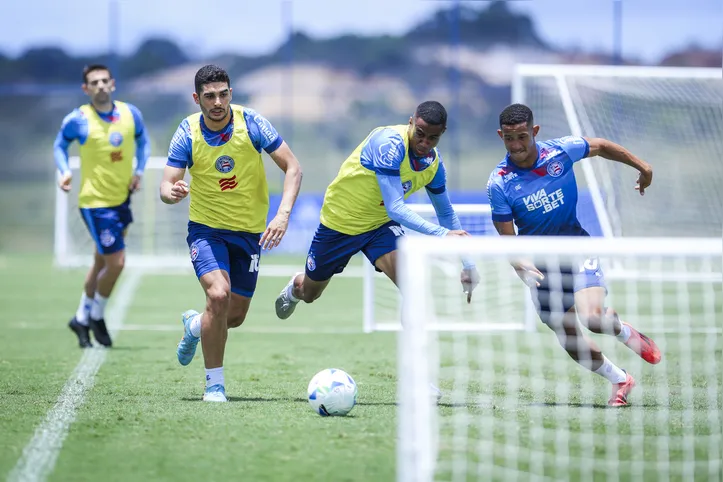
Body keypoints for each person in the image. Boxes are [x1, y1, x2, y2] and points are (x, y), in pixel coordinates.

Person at [487, 103, 661, 407]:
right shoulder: (499, 182)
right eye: (509, 139)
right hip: (541, 266)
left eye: (522, 137)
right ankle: (620, 379)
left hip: (577, 249)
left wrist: (643, 166)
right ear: (501, 135)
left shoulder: (560, 152)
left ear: (535, 132)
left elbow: (603, 146)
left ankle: (625, 333)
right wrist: (519, 263)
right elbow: (507, 240)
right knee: (570, 340)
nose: (516, 146)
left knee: (593, 318)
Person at [160, 64, 302, 402]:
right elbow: (165, 185)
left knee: (232, 317)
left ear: (231, 94)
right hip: (206, 231)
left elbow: (293, 167)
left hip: (249, 234)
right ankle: (214, 385)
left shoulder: (252, 123)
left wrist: (282, 216)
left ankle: (195, 326)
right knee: (219, 296)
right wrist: (172, 191)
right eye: (209, 96)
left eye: (223, 94)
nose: (217, 102)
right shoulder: (187, 132)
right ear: (197, 99)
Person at [274, 101, 480, 324]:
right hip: (340, 223)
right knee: (310, 293)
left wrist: (468, 264)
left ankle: (412, 356)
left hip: (380, 226)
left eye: (433, 138)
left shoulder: (434, 166)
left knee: (414, 285)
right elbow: (396, 207)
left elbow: (446, 213)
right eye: (420, 134)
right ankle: (296, 286)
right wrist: (441, 235)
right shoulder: (389, 144)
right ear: (410, 122)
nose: (425, 143)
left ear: (443, 134)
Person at [55, 64, 150, 349]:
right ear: (86, 89)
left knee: (101, 261)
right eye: (93, 82)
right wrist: (63, 171)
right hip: (95, 204)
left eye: (104, 81)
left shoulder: (131, 114)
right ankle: (97, 315)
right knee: (117, 262)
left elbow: (143, 143)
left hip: (122, 199)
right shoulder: (78, 120)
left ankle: (81, 318)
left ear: (113, 83)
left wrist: (139, 171)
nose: (100, 86)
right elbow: (59, 145)